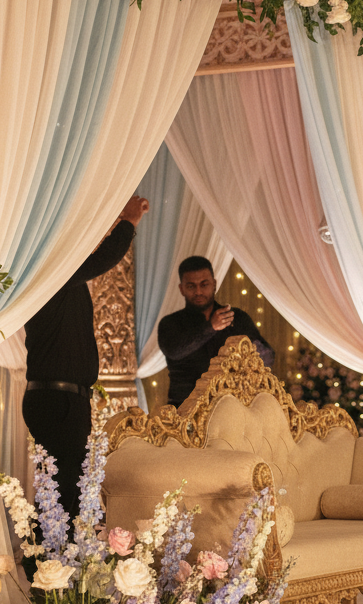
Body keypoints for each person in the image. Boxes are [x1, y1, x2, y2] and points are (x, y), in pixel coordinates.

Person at [23, 195, 150, 520]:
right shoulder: (48, 274)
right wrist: (128, 222)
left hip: (64, 400)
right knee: (62, 496)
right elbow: (103, 259)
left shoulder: (62, 280)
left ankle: (57, 550)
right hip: (56, 400)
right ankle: (51, 551)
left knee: (66, 495)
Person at [158, 256, 275, 408]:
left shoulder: (236, 317)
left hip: (234, 407)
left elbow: (267, 357)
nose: (198, 291)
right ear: (181, 289)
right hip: (185, 408)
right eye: (191, 286)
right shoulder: (171, 323)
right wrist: (210, 328)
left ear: (214, 284)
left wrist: (250, 353)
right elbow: (174, 351)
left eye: (204, 284)